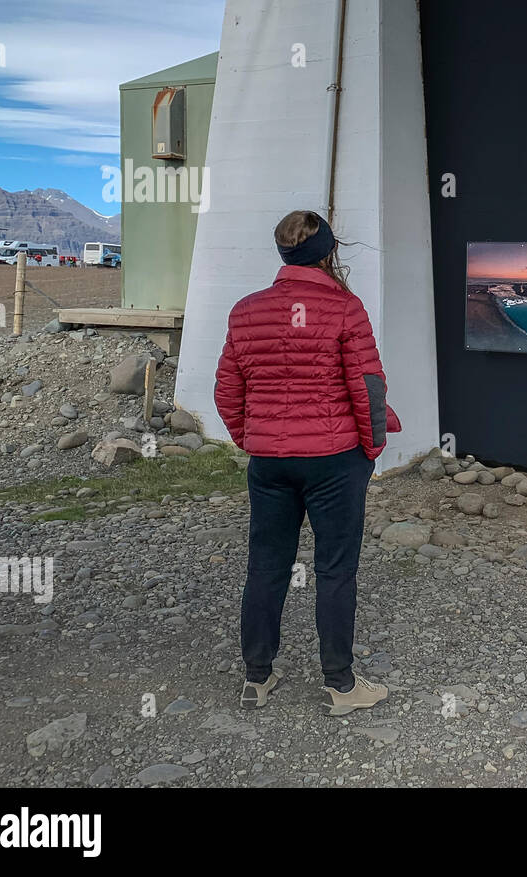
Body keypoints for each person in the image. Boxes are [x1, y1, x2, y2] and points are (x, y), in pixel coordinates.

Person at [214, 210, 400, 714]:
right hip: (335, 459)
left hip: (270, 462)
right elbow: (369, 387)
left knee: (266, 567)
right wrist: (372, 448)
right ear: (329, 253)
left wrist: (250, 438)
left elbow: (228, 389)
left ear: (283, 253)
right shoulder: (345, 307)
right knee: (335, 571)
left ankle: (257, 678)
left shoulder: (246, 310)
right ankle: (340, 687)